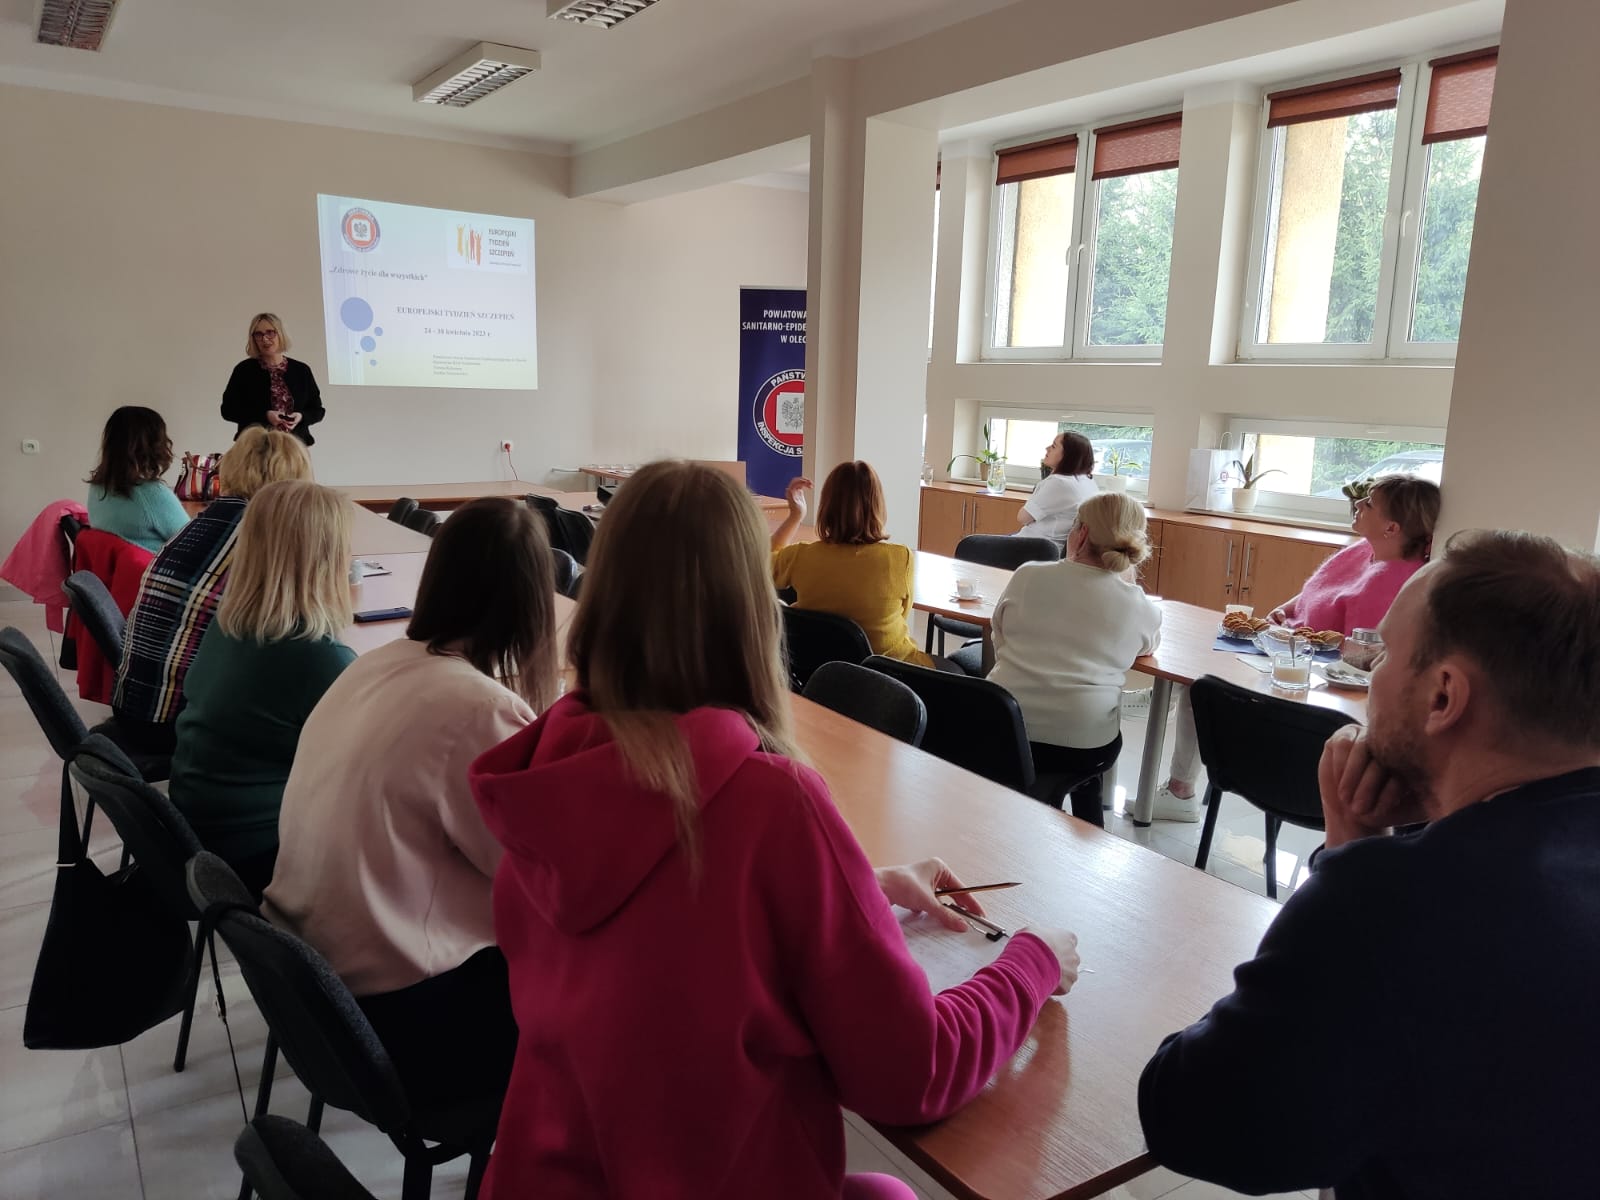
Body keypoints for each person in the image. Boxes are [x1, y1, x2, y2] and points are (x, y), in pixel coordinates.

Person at [468, 459, 1079, 1200]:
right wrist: (1030, 963)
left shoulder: (543, 774)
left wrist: (860, 887)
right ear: (752, 607)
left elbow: (669, 928)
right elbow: (912, 1076)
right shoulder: (773, 802)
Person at [1138, 529, 1600, 1198]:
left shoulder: (1398, 903)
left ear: (1443, 696)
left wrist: (1351, 861)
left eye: (1381, 654)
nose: (1370, 677)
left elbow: (1191, 1119)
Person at [264, 498, 561, 1108]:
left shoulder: (370, 665)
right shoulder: (481, 709)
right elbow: (536, 878)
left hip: (311, 986)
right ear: (533, 603)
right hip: (399, 1010)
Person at [1152, 475, 1442, 821]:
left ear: (1391, 528)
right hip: (1283, 649)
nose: (1358, 506)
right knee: (1198, 681)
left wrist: (1295, 639)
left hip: (1310, 677)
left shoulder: (1401, 582)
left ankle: (1181, 789)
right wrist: (1285, 610)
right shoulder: (1363, 549)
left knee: (1201, 691)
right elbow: (1314, 591)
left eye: (1369, 504)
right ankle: (1180, 785)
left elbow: (1357, 657)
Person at [168, 480, 354, 895]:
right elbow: (371, 774)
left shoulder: (228, 624)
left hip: (196, 826)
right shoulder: (319, 658)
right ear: (328, 558)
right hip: (255, 853)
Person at [112, 428, 313, 754]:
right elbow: (296, 628)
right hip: (177, 724)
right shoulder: (259, 534)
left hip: (138, 706)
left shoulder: (202, 522)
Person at [988, 493, 1163, 825]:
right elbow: (1146, 647)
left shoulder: (1028, 576)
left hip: (1003, 731)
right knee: (1090, 753)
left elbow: (1000, 636)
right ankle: (1088, 825)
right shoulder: (1139, 606)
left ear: (1080, 534)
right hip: (1082, 746)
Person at [770, 460, 934, 667]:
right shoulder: (901, 558)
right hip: (889, 674)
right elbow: (902, 614)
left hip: (821, 672)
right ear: (877, 506)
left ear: (826, 506)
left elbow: (761, 565)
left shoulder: (801, 557)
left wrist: (795, 516)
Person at [85, 405, 189, 553]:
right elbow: (193, 542)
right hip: (157, 566)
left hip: (117, 567)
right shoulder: (151, 495)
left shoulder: (97, 488)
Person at [221, 312, 325, 446]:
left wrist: (301, 417)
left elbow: (317, 410)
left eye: (270, 333)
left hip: (295, 447)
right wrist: (265, 416)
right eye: (258, 334)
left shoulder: (301, 370)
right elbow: (228, 410)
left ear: (280, 334)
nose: (265, 339)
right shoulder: (244, 370)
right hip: (255, 446)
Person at [1016, 431, 1098, 549]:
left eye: (1054, 446)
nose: (1047, 448)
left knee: (985, 546)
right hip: (1052, 547)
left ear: (1068, 456)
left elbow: (1022, 518)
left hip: (1035, 547)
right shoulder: (1087, 481)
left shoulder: (1059, 482)